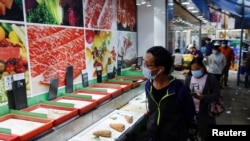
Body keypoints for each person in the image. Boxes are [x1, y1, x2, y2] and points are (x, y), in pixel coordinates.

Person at [137, 46, 195, 141]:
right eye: (144, 63)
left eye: (147, 64)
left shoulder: (180, 90)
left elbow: (189, 117)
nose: (144, 67)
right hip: (152, 136)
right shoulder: (148, 85)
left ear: (160, 69)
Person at [185, 57, 221, 141]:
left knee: (205, 134)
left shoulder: (210, 78)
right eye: (192, 69)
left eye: (197, 69)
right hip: (191, 112)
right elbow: (185, 93)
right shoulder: (188, 79)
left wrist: (204, 97)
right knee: (191, 135)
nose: (194, 71)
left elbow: (217, 94)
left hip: (206, 113)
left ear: (203, 68)